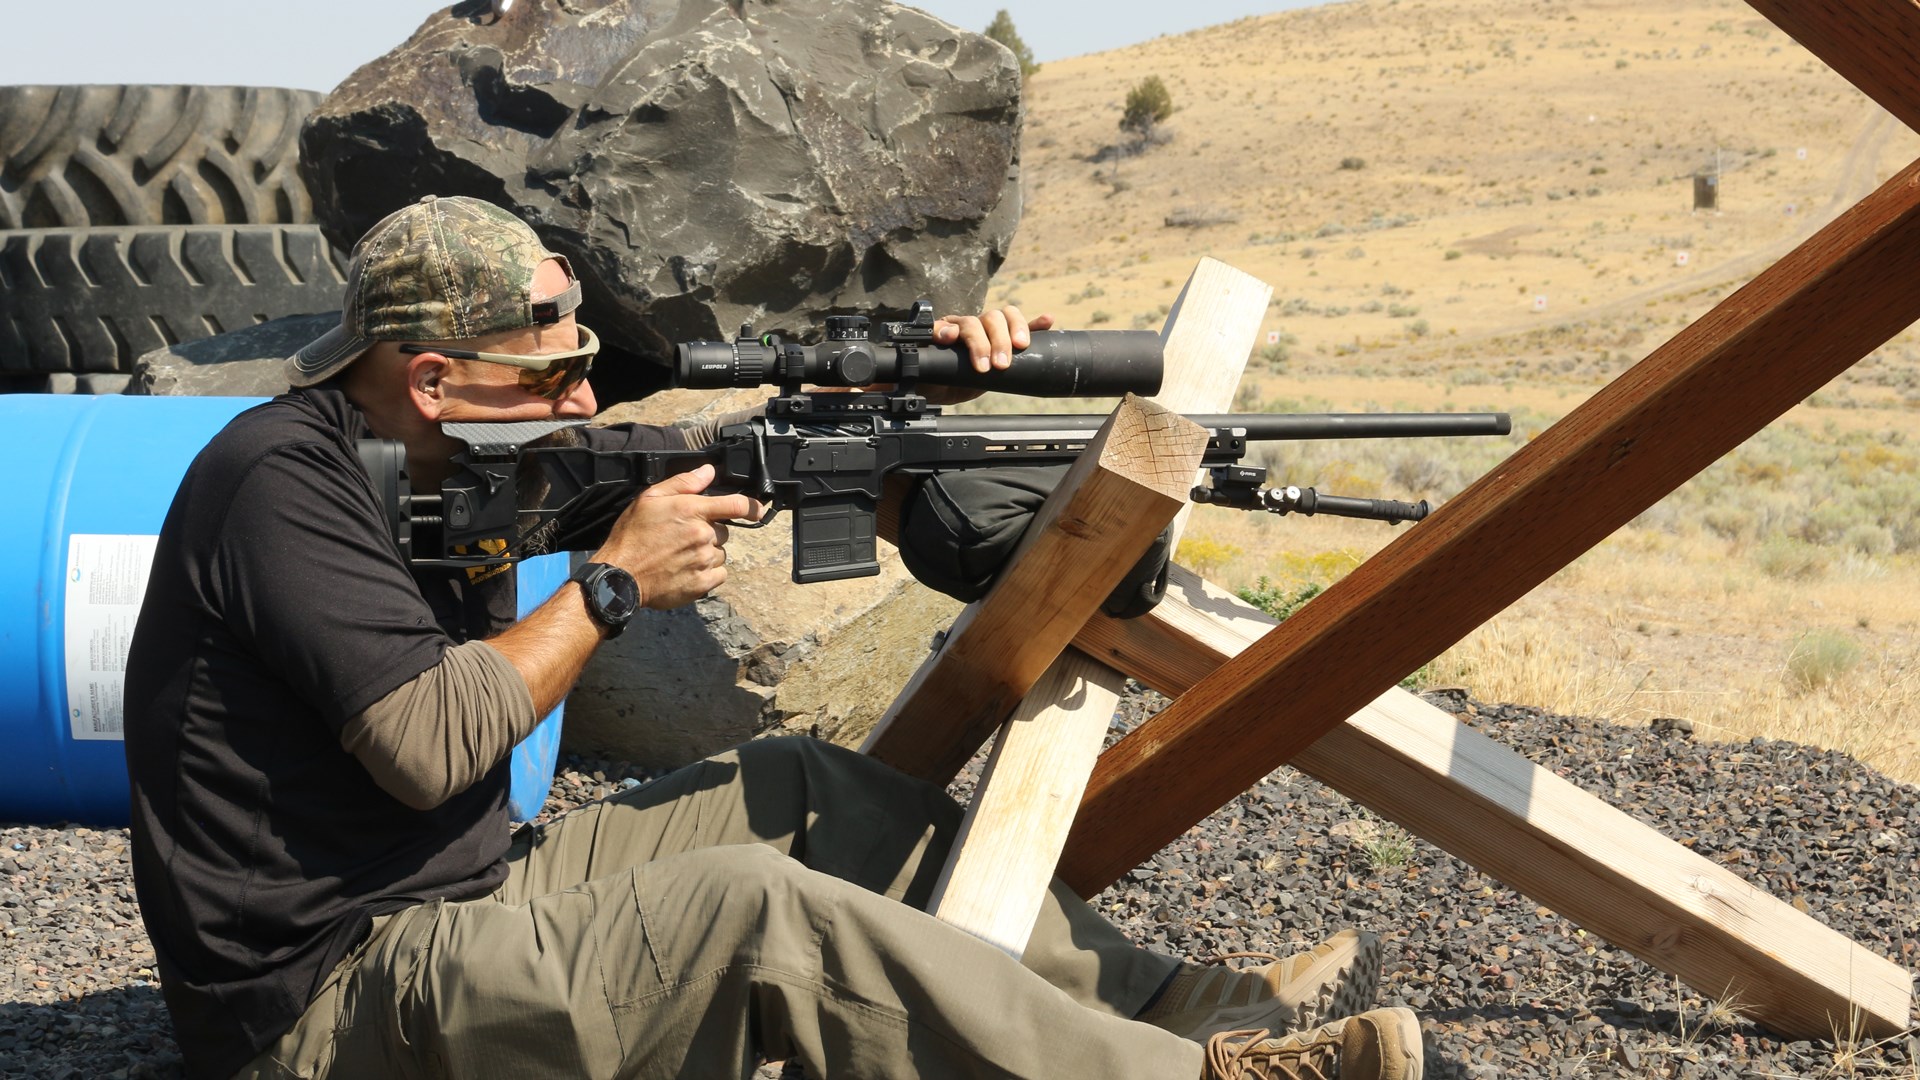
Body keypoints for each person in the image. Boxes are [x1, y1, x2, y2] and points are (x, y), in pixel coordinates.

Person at [123, 194, 1423, 1080]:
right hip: (326, 1013)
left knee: (805, 790)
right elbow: (424, 745)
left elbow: (688, 454)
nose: (581, 401)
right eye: (552, 379)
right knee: (752, 913)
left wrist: (890, 399)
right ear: (427, 379)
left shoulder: (450, 449)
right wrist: (611, 590)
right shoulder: (280, 484)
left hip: (460, 903)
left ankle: (1172, 1005)